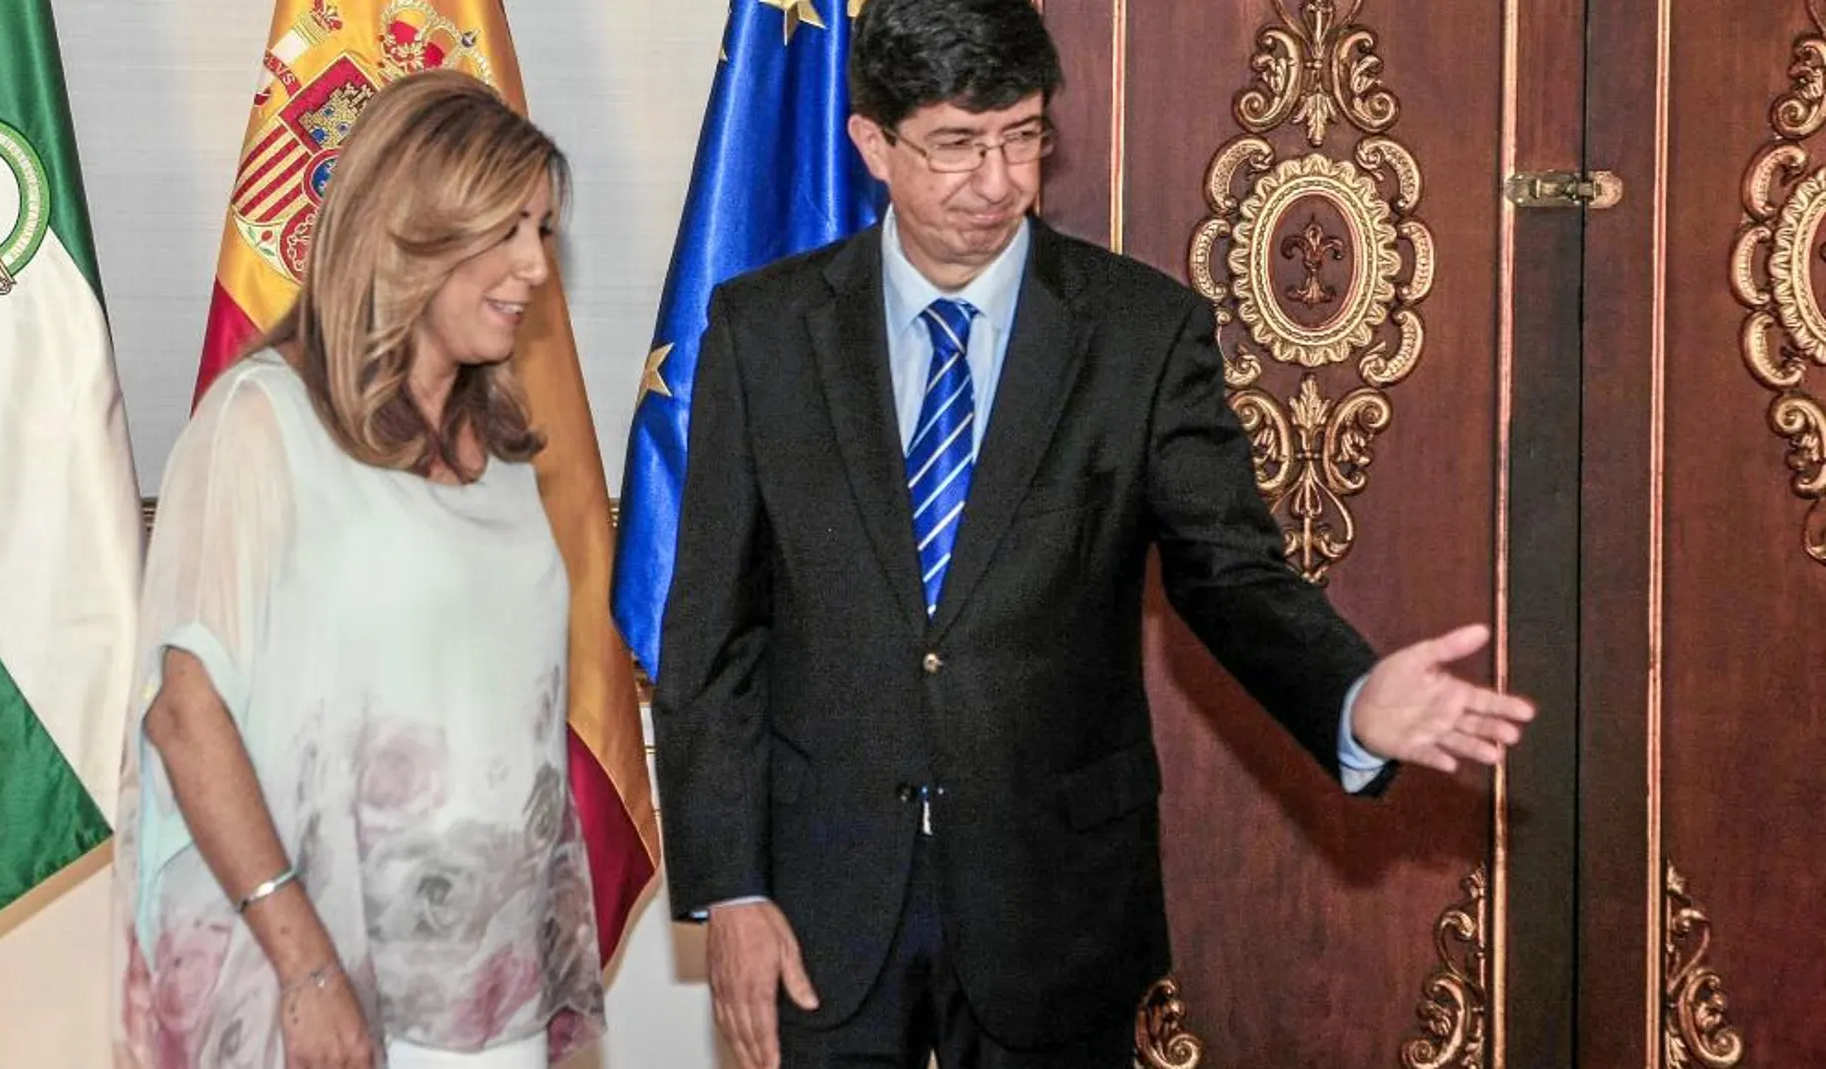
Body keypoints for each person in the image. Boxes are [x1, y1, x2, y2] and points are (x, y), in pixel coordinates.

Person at [649, 1, 1537, 1067]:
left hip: (1053, 901)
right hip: (817, 901)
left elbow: (1230, 574)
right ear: (871, 144)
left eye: (1023, 136)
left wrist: (1347, 693)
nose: (999, 182)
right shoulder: (763, 331)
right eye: (956, 145)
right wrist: (732, 886)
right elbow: (713, 627)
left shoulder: (1139, 334)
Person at [110, 70, 604, 1069]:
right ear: (406, 229)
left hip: (494, 999)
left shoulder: (503, 453)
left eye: (542, 230)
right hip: (317, 991)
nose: (535, 267)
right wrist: (307, 968)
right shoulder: (262, 422)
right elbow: (185, 711)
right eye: (503, 230)